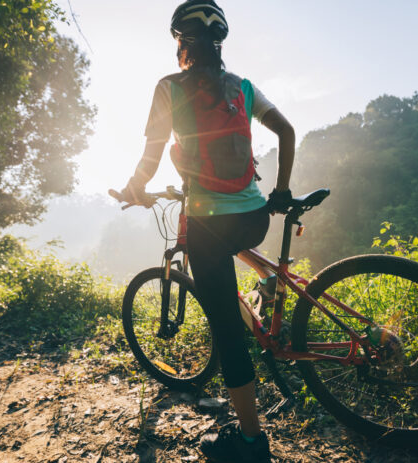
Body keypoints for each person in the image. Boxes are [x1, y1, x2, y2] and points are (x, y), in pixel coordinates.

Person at [120, 1, 295, 461]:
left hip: (206, 224)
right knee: (233, 249)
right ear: (219, 43)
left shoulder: (168, 87)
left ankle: (252, 443)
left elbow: (152, 154)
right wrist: (279, 191)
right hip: (255, 219)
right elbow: (288, 131)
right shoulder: (244, 88)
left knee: (227, 331)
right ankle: (264, 286)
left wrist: (134, 189)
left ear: (180, 42)